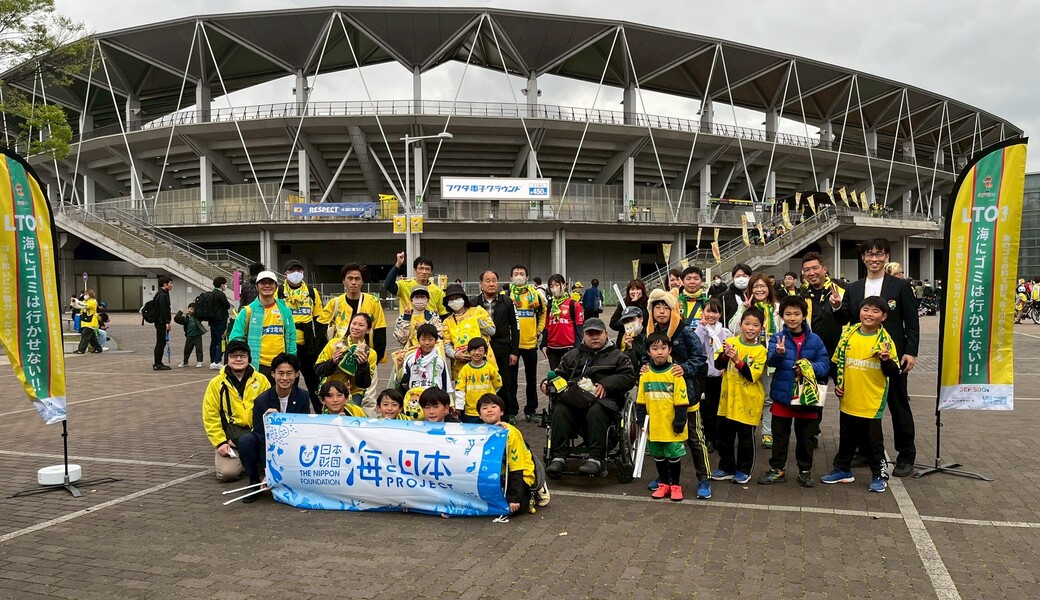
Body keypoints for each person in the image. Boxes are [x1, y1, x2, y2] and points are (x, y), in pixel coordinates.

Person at [832, 238, 920, 478]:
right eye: (869, 254)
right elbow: (845, 321)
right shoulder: (854, 288)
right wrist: (838, 307)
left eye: (879, 254)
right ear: (863, 258)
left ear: (887, 257)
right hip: (860, 361)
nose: (874, 259)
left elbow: (911, 322)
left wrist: (910, 351)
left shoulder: (900, 286)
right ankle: (865, 452)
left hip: (891, 359)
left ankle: (905, 456)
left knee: (898, 405)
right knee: (860, 407)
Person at [821, 297, 901, 492]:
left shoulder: (884, 340)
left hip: (872, 400)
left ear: (883, 316)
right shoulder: (849, 334)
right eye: (866, 309)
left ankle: (879, 474)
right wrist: (839, 384)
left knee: (873, 441)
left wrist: (885, 360)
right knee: (847, 436)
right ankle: (843, 469)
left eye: (875, 311)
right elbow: (838, 362)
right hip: (849, 396)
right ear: (860, 312)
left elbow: (894, 371)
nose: (869, 314)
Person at [543, 318, 636, 477]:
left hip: (604, 402)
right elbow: (559, 375)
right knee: (559, 409)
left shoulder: (618, 357)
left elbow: (628, 377)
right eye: (590, 334)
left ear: (606, 334)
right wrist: (546, 383)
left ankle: (595, 458)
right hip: (575, 399)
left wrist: (606, 384)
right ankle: (558, 457)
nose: (594, 337)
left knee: (596, 411)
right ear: (583, 335)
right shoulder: (572, 355)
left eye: (598, 333)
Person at [759, 296, 830, 487]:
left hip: (807, 398)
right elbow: (771, 362)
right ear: (782, 316)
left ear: (804, 315)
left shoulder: (815, 340)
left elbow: (825, 364)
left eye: (797, 314)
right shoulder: (777, 338)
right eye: (788, 314)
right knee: (780, 436)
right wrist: (779, 353)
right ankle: (777, 469)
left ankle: (805, 471)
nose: (792, 318)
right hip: (783, 397)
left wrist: (809, 368)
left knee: (805, 438)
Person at [644, 289, 710, 496]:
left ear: (674, 310)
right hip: (661, 399)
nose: (661, 311)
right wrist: (645, 367)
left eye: (666, 307)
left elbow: (700, 357)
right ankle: (666, 478)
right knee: (664, 437)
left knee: (694, 438)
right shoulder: (650, 332)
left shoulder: (685, 332)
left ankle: (704, 478)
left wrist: (685, 368)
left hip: (686, 395)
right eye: (657, 307)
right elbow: (646, 357)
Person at [236, 353, 310, 501]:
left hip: (293, 445)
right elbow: (262, 437)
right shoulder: (262, 401)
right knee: (246, 440)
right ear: (272, 374)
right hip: (268, 445)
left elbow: (304, 429)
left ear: (297, 375)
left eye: (289, 373)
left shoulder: (303, 396)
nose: (284, 378)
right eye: (280, 373)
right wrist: (268, 471)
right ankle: (254, 483)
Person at [201, 340, 271, 481]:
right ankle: (242, 456)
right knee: (227, 474)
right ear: (227, 358)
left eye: (243, 355)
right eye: (233, 355)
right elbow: (211, 416)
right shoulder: (216, 384)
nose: (238, 359)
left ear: (249, 358)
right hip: (230, 439)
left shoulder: (262, 380)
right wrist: (220, 442)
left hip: (257, 437)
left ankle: (253, 456)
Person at [712, 307, 767, 485]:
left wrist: (736, 359)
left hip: (748, 403)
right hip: (727, 401)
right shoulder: (730, 342)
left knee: (745, 440)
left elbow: (752, 375)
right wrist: (726, 356)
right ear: (741, 324)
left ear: (761, 328)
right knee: (723, 437)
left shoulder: (761, 351)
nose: (751, 328)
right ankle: (727, 467)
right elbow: (718, 364)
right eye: (747, 324)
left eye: (756, 325)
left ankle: (744, 470)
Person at [727, 274, 781, 449]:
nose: (759, 290)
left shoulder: (777, 309)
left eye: (763, 286)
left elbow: (781, 331)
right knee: (746, 394)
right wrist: (743, 308)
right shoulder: (745, 307)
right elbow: (733, 328)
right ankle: (747, 426)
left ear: (769, 288)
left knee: (768, 398)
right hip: (746, 357)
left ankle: (767, 432)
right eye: (755, 286)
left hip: (768, 358)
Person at [636, 332, 691, 502]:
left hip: (671, 426)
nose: (659, 352)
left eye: (663, 348)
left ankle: (675, 485)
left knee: (673, 457)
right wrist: (640, 421)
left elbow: (681, 402)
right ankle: (663, 484)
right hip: (654, 426)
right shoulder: (645, 374)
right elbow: (640, 401)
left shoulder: (675, 373)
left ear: (670, 350)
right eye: (655, 348)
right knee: (658, 456)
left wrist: (679, 422)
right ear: (648, 352)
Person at [228, 270, 297, 383]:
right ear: (257, 286)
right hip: (257, 366)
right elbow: (235, 339)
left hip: (281, 366)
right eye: (263, 283)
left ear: (275, 286)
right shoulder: (247, 311)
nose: (267, 286)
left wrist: (291, 361)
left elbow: (291, 336)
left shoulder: (285, 310)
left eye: (270, 283)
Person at [478, 393, 536, 515]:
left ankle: (537, 489)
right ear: (479, 415)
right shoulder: (477, 432)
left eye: (493, 406)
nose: (489, 410)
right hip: (495, 477)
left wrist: (513, 499)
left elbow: (517, 468)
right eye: (484, 408)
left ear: (502, 412)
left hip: (519, 476)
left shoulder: (510, 433)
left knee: (513, 508)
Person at [277, 259, 325, 408]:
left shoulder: (311, 292)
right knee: (289, 382)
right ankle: (291, 412)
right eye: (292, 271)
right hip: (288, 345)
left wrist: (317, 343)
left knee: (314, 382)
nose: (296, 274)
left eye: (299, 270)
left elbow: (320, 319)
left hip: (308, 346)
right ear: (285, 274)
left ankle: (320, 412)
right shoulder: (278, 292)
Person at [473, 270, 520, 421]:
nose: (491, 283)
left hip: (503, 349)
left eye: (494, 280)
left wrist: (514, 351)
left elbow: (515, 327)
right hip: (482, 350)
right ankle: (483, 415)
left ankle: (506, 415)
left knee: (505, 384)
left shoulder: (507, 301)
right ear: (481, 284)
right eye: (487, 280)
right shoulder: (474, 303)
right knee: (484, 383)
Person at [319, 263, 387, 361]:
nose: (353, 282)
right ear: (344, 281)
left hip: (364, 356)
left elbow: (380, 330)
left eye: (357, 279)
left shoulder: (373, 302)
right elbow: (320, 330)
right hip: (339, 355)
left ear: (362, 281)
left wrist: (375, 358)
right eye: (350, 278)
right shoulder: (334, 303)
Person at [313, 313, 376, 415]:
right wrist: (332, 362)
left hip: (354, 392)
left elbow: (364, 384)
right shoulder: (334, 344)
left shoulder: (370, 353)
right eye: (354, 323)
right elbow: (318, 370)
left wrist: (363, 366)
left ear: (368, 330)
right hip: (331, 389)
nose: (356, 327)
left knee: (352, 419)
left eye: (361, 325)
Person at [507, 265, 546, 422]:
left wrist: (539, 331)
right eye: (515, 273)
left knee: (531, 379)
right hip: (512, 346)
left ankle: (531, 410)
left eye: (521, 274)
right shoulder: (506, 295)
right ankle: (512, 411)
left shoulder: (535, 294)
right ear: (510, 278)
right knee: (511, 381)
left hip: (530, 344)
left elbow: (544, 313)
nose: (518, 276)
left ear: (527, 277)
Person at [693, 298, 732, 456]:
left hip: (720, 376)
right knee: (706, 409)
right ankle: (708, 438)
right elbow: (696, 348)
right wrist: (702, 329)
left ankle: (718, 437)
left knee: (718, 408)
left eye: (715, 312)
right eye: (708, 311)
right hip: (704, 376)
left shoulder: (726, 332)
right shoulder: (698, 331)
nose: (711, 315)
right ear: (703, 313)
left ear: (720, 314)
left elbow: (729, 353)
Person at [441, 283, 496, 381]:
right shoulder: (447, 322)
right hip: (460, 367)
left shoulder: (478, 311)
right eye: (451, 299)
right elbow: (446, 344)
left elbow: (491, 331)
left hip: (483, 361)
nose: (455, 301)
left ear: (464, 298)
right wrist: (455, 354)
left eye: (457, 297)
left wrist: (476, 321)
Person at [395, 323, 454, 404]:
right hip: (414, 401)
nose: (427, 343)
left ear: (436, 340)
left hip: (435, 401)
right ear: (418, 340)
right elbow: (402, 381)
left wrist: (450, 404)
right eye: (423, 339)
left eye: (430, 339)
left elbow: (446, 383)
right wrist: (400, 366)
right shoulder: (411, 360)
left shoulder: (440, 361)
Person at [454, 338, 502, 424]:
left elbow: (497, 385)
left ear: (485, 352)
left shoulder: (490, 368)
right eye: (473, 350)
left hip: (488, 410)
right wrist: (459, 407)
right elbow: (460, 389)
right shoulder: (465, 370)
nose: (476, 353)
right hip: (471, 412)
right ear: (469, 352)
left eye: (480, 350)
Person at [541, 273, 585, 370]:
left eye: (557, 285)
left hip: (569, 348)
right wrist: (543, 344)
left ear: (564, 285)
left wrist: (577, 348)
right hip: (552, 349)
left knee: (569, 378)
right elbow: (547, 327)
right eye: (551, 286)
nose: (554, 288)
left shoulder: (574, 305)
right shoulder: (550, 306)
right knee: (556, 379)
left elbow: (579, 327)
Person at [608, 279, 648, 347]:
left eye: (638, 289)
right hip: (624, 341)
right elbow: (613, 323)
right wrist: (627, 325)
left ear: (642, 290)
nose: (635, 292)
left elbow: (647, 322)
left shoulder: (648, 303)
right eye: (632, 289)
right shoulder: (623, 304)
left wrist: (636, 303)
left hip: (643, 341)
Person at [713, 263, 752, 328]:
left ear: (750, 277)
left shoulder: (755, 296)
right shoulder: (723, 298)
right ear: (733, 278)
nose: (741, 279)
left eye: (744, 276)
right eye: (738, 276)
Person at [206, 277, 233, 370]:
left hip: (212, 321)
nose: (225, 286)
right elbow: (227, 306)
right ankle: (217, 361)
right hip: (220, 320)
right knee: (222, 341)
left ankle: (213, 361)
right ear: (221, 285)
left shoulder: (210, 294)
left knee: (213, 341)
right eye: (225, 284)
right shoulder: (220, 294)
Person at [174, 304, 207, 368]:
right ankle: (185, 362)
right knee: (187, 349)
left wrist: (198, 310)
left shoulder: (197, 317)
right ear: (188, 309)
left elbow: (203, 315)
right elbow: (176, 319)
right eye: (191, 309)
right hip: (189, 336)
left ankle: (199, 361)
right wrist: (180, 312)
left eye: (193, 309)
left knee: (199, 348)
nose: (192, 311)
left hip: (197, 335)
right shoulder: (185, 318)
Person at [72, 289, 103, 354]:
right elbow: (78, 306)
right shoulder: (85, 301)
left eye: (86, 294)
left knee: (85, 335)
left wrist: (78, 301)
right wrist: (74, 302)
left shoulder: (93, 302)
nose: (85, 296)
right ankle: (98, 348)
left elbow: (84, 306)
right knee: (92, 337)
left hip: (91, 322)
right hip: (85, 322)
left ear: (90, 295)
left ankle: (81, 350)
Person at [152, 276, 173, 371]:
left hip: (160, 321)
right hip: (161, 322)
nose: (172, 285)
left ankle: (158, 362)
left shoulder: (163, 293)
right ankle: (157, 364)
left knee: (161, 342)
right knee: (161, 342)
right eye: (170, 283)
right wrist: (167, 322)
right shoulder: (162, 295)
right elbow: (163, 310)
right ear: (165, 284)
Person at [618, 305, 646, 373]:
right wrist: (629, 348)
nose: (629, 323)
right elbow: (628, 365)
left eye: (632, 319)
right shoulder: (625, 338)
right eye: (626, 321)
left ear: (641, 319)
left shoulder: (650, 333)